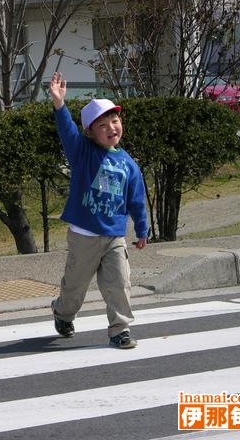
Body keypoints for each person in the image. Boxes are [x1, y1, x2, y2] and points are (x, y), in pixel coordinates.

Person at [48, 71, 148, 349]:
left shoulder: (129, 163)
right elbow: (67, 131)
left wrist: (142, 229)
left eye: (115, 121)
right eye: (102, 125)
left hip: (115, 236)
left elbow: (136, 199)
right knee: (75, 289)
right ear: (90, 132)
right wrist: (59, 104)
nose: (111, 128)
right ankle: (63, 313)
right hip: (84, 235)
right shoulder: (83, 152)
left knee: (119, 284)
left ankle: (120, 330)